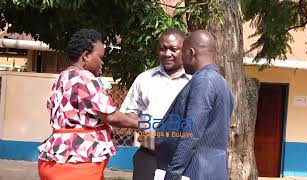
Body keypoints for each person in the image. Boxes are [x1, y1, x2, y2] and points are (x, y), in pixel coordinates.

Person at [38, 29, 138, 180]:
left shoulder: (62, 77)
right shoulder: (84, 78)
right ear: (85, 56)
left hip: (55, 160)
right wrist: (144, 123)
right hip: (77, 165)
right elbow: (111, 117)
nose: (102, 62)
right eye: (100, 57)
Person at [155, 30, 234, 180]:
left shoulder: (203, 80)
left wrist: (172, 174)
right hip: (214, 171)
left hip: (195, 171)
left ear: (191, 53)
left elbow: (191, 133)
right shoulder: (222, 83)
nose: (182, 59)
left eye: (183, 53)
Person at [120, 28, 191, 180]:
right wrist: (145, 127)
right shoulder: (145, 79)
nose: (167, 54)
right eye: (163, 49)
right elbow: (128, 113)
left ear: (184, 50)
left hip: (182, 162)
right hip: (148, 157)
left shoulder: (194, 82)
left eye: (173, 49)